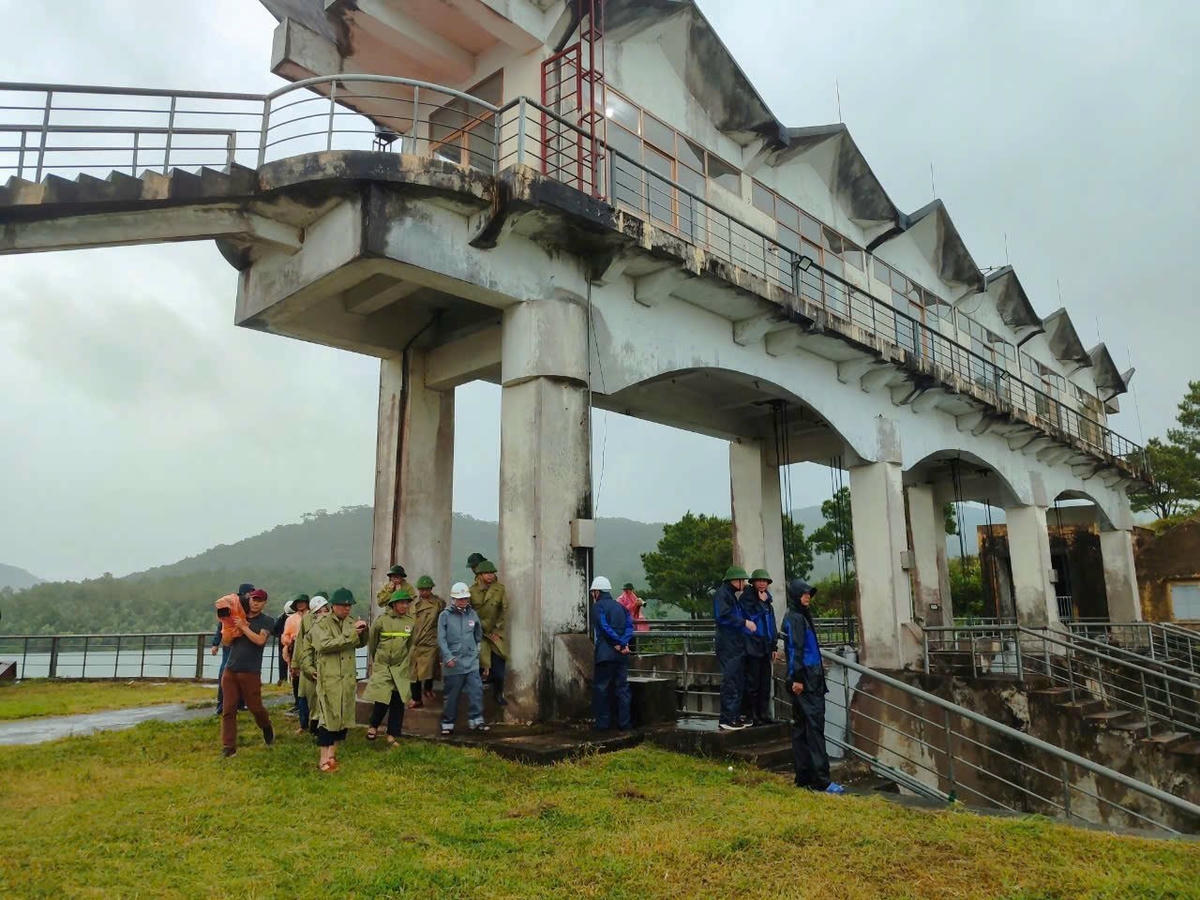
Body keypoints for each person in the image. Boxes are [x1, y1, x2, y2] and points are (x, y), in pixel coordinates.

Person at [781, 578, 844, 794]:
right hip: (807, 679)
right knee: (814, 728)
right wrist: (797, 678)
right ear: (796, 595)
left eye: (809, 594)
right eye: (805, 593)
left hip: (806, 677)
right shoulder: (797, 618)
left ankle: (804, 776)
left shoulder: (797, 616)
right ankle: (822, 780)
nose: (808, 597)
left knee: (801, 728)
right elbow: (795, 649)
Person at [311, 587, 368, 772]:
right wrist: (351, 634)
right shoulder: (322, 624)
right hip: (330, 679)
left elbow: (360, 643)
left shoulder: (350, 622)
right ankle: (323, 759)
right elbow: (324, 645)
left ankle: (332, 755)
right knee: (328, 720)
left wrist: (363, 630)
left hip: (347, 679)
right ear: (333, 606)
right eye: (344, 605)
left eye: (349, 605)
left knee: (343, 719)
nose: (347, 609)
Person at [219, 588, 275, 758]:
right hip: (231, 669)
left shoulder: (267, 621)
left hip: (250, 671)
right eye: (253, 599)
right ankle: (229, 747)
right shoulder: (237, 615)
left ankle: (266, 726)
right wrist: (229, 628)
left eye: (259, 600)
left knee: (255, 707)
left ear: (264, 603)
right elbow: (226, 642)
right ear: (249, 600)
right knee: (228, 709)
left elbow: (260, 640)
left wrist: (243, 627)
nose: (255, 602)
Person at [364, 590, 415, 747]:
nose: (404, 606)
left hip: (400, 667)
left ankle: (392, 734)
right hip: (383, 665)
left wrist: (405, 663)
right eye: (401, 603)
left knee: (398, 700)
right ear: (393, 604)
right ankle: (373, 726)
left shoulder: (410, 621)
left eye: (407, 603)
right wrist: (377, 661)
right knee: (382, 697)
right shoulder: (381, 621)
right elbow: (372, 642)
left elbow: (410, 644)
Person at [438, 581, 488, 736]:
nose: (463, 601)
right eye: (460, 598)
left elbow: (478, 633)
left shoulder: (472, 614)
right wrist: (448, 657)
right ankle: (448, 723)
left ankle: (476, 720)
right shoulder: (444, 616)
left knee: (476, 690)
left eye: (465, 598)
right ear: (453, 599)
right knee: (452, 695)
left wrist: (476, 649)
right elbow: (441, 638)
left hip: (471, 661)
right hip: (453, 662)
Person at [713, 565, 754, 731]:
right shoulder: (722, 595)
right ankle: (727, 718)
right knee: (731, 681)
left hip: (735, 644)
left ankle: (734, 716)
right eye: (742, 580)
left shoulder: (730, 595)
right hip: (728, 644)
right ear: (733, 581)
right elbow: (723, 617)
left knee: (737, 680)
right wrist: (744, 623)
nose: (744, 583)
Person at [590, 576, 633, 731]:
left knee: (602, 688)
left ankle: (602, 725)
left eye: (593, 592)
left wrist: (617, 643)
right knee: (622, 689)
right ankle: (625, 724)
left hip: (605, 655)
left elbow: (604, 627)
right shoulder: (620, 607)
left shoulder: (597, 607)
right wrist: (624, 643)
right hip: (622, 655)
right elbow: (629, 626)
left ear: (596, 592)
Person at [740, 569, 778, 726]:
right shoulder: (747, 599)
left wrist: (774, 645)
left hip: (765, 647)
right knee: (752, 683)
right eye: (759, 580)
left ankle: (764, 714)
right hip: (752, 646)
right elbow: (751, 620)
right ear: (753, 582)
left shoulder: (768, 602)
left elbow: (772, 625)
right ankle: (751, 715)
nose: (763, 583)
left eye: (765, 581)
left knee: (765, 683)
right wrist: (761, 603)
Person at [470, 559, 508, 707]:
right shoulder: (472, 591)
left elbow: (503, 611)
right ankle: (476, 701)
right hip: (478, 634)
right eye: (487, 573)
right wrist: (479, 630)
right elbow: (469, 613)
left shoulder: (500, 589)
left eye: (492, 573)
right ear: (479, 575)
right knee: (478, 670)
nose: (491, 576)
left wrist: (496, 631)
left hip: (494, 634)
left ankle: (498, 694)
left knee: (499, 669)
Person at [212, 582, 253, 714]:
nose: (251, 596)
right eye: (250, 593)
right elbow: (222, 625)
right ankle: (221, 705)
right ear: (244, 593)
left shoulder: (249, 606)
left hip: (242, 643)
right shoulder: (231, 605)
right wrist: (215, 643)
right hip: (229, 644)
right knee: (225, 673)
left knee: (242, 673)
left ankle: (240, 703)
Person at [291, 594, 329, 735]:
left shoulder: (331, 620)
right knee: (304, 695)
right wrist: (295, 664)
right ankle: (304, 724)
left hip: (324, 663)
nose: (322, 613)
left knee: (321, 696)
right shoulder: (306, 620)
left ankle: (319, 725)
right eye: (318, 610)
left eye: (324, 609)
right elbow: (300, 642)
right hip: (307, 662)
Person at [409, 575, 444, 707]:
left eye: (426, 589)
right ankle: (416, 698)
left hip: (430, 641)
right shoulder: (413, 603)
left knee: (429, 668)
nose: (424, 592)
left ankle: (428, 688)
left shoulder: (438, 603)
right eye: (421, 590)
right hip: (415, 641)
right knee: (414, 673)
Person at [281, 594, 310, 712]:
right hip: (294, 650)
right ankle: (298, 703)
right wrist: (291, 639)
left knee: (309, 676)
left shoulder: (313, 617)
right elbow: (284, 636)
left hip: (309, 650)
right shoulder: (290, 619)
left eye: (303, 602)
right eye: (298, 602)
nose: (300, 604)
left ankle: (308, 703)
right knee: (295, 677)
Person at [616, 582, 649, 652]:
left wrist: (639, 605)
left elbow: (636, 612)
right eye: (627, 590)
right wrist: (634, 604)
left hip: (633, 625)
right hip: (624, 625)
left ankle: (633, 655)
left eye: (629, 590)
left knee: (633, 643)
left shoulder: (634, 597)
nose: (628, 591)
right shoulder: (620, 599)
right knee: (626, 643)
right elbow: (623, 610)